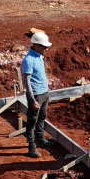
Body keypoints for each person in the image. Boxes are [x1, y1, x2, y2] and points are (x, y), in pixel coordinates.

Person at [22, 29, 56, 158]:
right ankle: (31, 146)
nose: (46, 49)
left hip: (44, 93)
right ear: (36, 46)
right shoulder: (28, 60)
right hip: (36, 95)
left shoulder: (39, 55)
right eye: (44, 47)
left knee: (42, 117)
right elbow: (27, 82)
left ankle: (41, 138)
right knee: (31, 121)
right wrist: (33, 101)